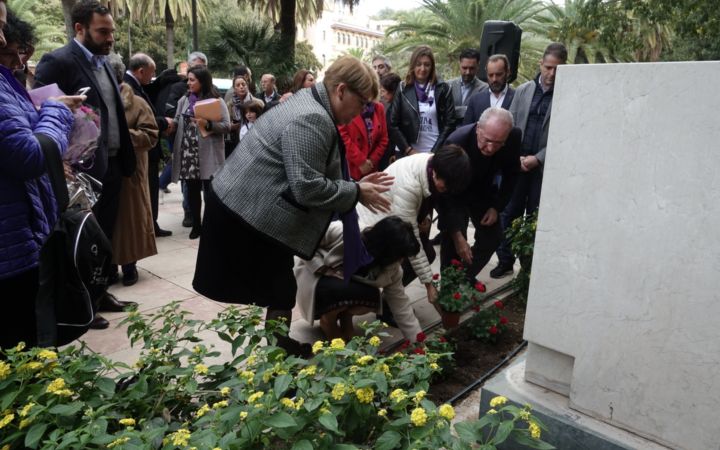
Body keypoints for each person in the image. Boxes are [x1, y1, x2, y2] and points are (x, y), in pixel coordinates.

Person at [192, 56, 392, 356]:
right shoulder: (312, 116)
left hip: (253, 203)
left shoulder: (311, 103)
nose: (363, 112)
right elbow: (307, 186)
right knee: (277, 287)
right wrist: (354, 192)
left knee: (280, 287)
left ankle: (278, 348)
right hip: (246, 208)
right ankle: (277, 355)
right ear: (341, 90)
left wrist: (354, 185)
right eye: (362, 102)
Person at [34, 0, 138, 328]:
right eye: (102, 31)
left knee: (104, 236)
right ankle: (84, 305)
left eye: (112, 32)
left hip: (110, 165)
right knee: (81, 239)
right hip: (79, 171)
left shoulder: (105, 63)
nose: (110, 38)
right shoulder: (58, 61)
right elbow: (41, 109)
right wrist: (59, 162)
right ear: (80, 29)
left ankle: (101, 290)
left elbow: (112, 111)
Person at [0, 5, 82, 347]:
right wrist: (56, 110)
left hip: (19, 240)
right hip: (11, 252)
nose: (2, 38)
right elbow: (30, 155)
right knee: (23, 355)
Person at [357, 146, 472, 305]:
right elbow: (412, 241)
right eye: (444, 187)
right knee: (404, 259)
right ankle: (379, 301)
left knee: (427, 253)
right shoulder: (409, 185)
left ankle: (388, 300)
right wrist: (429, 286)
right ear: (435, 173)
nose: (446, 191)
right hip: (370, 225)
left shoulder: (435, 164)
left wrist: (423, 216)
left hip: (392, 218)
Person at [491, 43, 568, 279]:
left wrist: (538, 158)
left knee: (535, 218)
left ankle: (527, 268)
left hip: (543, 169)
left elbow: (565, 134)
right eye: (548, 67)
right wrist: (516, 158)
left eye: (557, 69)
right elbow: (507, 125)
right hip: (517, 164)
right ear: (540, 65)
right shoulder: (523, 91)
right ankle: (505, 260)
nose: (552, 74)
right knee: (509, 214)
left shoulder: (567, 95)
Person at [295, 217, 423, 342]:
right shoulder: (343, 231)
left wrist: (417, 341)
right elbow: (304, 240)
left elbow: (400, 304)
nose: (401, 261)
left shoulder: (393, 268)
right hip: (317, 277)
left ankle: (346, 318)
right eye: (400, 255)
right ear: (386, 249)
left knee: (372, 296)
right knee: (343, 290)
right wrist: (322, 268)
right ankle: (328, 323)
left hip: (345, 284)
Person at [439, 108, 521, 282]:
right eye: (487, 140)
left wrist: (496, 207)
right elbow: (443, 194)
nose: (490, 148)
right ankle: (448, 288)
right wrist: (457, 234)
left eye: (498, 143)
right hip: (454, 194)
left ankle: (464, 276)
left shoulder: (513, 136)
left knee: (493, 236)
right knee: (453, 243)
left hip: (483, 191)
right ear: (478, 129)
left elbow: (512, 174)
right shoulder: (456, 141)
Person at [108, 53, 159, 286]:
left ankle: (130, 265)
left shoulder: (137, 103)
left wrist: (120, 135)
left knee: (129, 222)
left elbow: (151, 136)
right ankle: (107, 266)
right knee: (107, 221)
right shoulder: (96, 100)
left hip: (130, 173)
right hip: (102, 172)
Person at [171, 65, 230, 239]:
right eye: (188, 79)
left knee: (211, 193)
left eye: (192, 80)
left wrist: (208, 124)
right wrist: (167, 124)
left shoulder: (217, 102)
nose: (188, 83)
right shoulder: (184, 100)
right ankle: (196, 225)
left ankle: (212, 225)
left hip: (209, 153)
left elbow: (227, 126)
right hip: (189, 152)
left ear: (202, 81)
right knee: (192, 191)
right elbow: (176, 120)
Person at [123, 52, 173, 238]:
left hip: (146, 149)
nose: (152, 78)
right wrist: (163, 123)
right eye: (151, 73)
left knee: (150, 190)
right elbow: (140, 119)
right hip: (140, 149)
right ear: (141, 71)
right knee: (145, 191)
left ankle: (151, 225)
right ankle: (147, 227)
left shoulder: (138, 86)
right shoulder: (129, 89)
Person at [389, 45, 455, 156]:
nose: (422, 69)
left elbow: (450, 123)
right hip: (408, 152)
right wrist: (408, 150)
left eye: (427, 64)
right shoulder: (402, 88)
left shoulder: (443, 88)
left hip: (434, 151)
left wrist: (434, 151)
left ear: (432, 67)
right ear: (413, 65)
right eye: (418, 64)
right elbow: (393, 124)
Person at [338, 97, 389, 181]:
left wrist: (371, 161)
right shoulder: (347, 106)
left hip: (371, 167)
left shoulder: (379, 107)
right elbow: (343, 137)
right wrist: (361, 161)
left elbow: (384, 139)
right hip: (352, 167)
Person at [463, 54, 515, 125]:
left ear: (508, 72)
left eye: (499, 74)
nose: (494, 79)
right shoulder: (475, 100)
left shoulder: (517, 98)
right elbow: (467, 129)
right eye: (490, 75)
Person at [447, 48, 487, 121]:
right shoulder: (448, 85)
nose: (468, 72)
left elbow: (480, 113)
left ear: (478, 66)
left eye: (472, 68)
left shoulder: (485, 88)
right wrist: (468, 109)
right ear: (459, 64)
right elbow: (444, 111)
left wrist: (454, 110)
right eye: (464, 68)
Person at [226, 74, 259, 157]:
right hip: (235, 141)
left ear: (247, 86)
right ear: (234, 89)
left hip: (254, 140)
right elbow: (226, 122)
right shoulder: (230, 105)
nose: (241, 87)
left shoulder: (257, 103)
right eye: (238, 85)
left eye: (243, 84)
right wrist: (231, 126)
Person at [378, 72, 401, 170]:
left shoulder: (398, 109)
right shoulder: (392, 107)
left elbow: (398, 133)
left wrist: (395, 153)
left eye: (383, 91)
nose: (381, 95)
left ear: (392, 91)